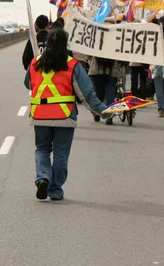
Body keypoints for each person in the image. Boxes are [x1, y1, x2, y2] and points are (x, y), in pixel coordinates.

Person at [24, 28, 110, 201]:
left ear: (48, 43)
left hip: (40, 115)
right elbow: (87, 95)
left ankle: (43, 178)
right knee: (61, 154)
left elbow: (28, 84)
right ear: (66, 44)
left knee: (42, 149)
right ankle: (55, 190)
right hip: (64, 117)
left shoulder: (35, 63)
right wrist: (105, 111)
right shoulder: (72, 65)